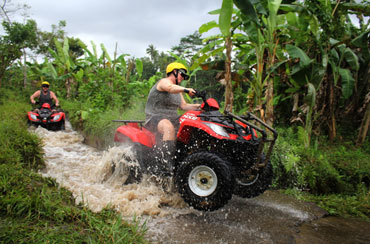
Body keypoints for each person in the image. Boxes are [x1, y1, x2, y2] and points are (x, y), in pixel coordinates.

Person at [145, 62, 200, 174]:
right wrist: (186, 89)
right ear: (174, 72)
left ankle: (190, 159)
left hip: (174, 118)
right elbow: (170, 88)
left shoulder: (178, 91)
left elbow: (184, 106)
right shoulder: (164, 82)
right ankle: (164, 163)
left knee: (193, 127)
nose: (183, 78)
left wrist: (201, 106)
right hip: (155, 118)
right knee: (168, 127)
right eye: (182, 74)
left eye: (185, 77)